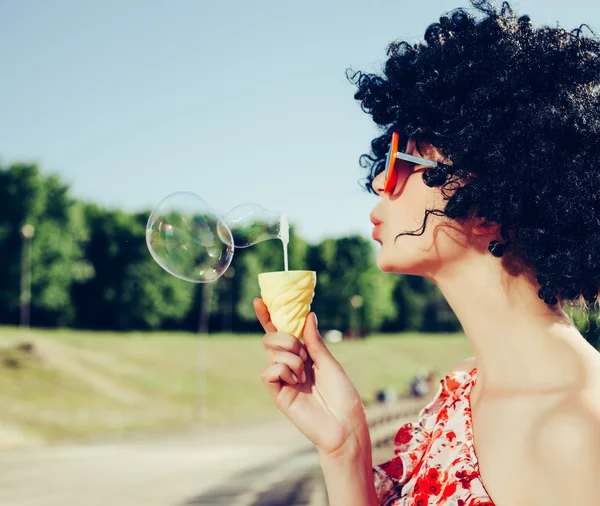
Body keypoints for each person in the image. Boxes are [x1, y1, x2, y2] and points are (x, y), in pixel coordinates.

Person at [253, 1, 600, 504]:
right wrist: (344, 448)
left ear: (484, 191)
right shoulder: (457, 396)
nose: (378, 179)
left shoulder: (577, 432)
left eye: (400, 158)